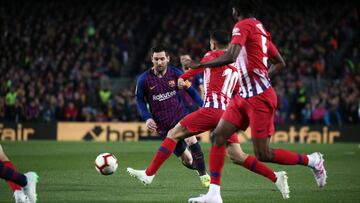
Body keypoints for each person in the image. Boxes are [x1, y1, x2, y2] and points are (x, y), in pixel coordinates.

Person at [186, 1, 327, 202]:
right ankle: (214, 195)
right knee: (218, 135)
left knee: (264, 153)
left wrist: (199, 64)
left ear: (237, 10)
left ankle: (312, 160)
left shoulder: (242, 25)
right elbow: (280, 63)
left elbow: (231, 55)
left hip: (259, 99)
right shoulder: (261, 30)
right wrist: (262, 78)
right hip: (244, 96)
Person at [126, 30, 289, 199]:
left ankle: (149, 174)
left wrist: (185, 77)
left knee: (173, 134)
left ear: (213, 43)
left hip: (211, 110)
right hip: (227, 115)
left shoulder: (211, 55)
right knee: (237, 156)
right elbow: (238, 89)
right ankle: (275, 177)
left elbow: (196, 70)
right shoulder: (237, 64)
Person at [128, 44, 210, 187]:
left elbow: (191, 90)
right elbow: (140, 100)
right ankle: (201, 171)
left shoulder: (176, 73)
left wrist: (204, 106)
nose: (159, 62)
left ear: (168, 59)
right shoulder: (143, 80)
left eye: (162, 59)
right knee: (188, 160)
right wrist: (147, 118)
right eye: (156, 59)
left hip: (180, 116)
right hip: (162, 123)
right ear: (151, 59)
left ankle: (204, 177)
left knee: (191, 140)